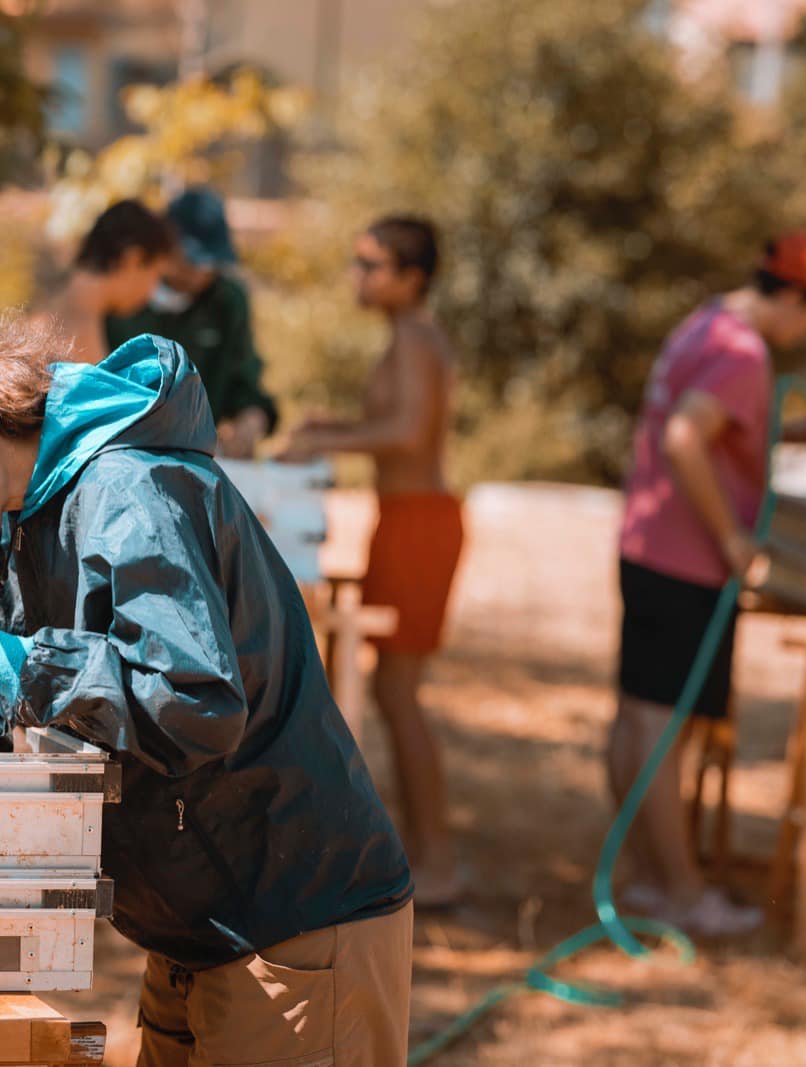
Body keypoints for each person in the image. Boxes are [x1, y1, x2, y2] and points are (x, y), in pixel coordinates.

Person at [0, 289, 414, 1066]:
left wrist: (1, 660)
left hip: (294, 923)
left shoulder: (131, 490)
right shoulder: (7, 529)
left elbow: (192, 702)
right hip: (197, 925)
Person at [610, 233, 806, 935]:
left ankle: (651, 880)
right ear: (795, 295)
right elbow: (688, 436)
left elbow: (710, 426)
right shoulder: (747, 353)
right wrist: (732, 538)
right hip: (688, 559)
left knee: (634, 715)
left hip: (645, 543)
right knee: (661, 727)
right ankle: (684, 893)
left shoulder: (705, 323)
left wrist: (795, 433)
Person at [275, 215, 465, 908]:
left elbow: (410, 432)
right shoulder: (404, 337)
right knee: (388, 691)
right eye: (358, 261)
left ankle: (438, 861)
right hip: (400, 518)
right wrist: (330, 429)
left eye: (373, 264)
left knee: (398, 694)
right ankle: (422, 853)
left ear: (412, 278)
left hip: (422, 523)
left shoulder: (416, 337)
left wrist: (334, 436)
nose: (359, 275)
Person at [106, 187, 276, 459]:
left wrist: (251, 421)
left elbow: (244, 382)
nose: (201, 272)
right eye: (192, 258)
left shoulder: (226, 302)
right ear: (163, 243)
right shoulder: (122, 297)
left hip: (198, 463)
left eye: (212, 262)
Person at [39, 199, 173, 364]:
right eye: (156, 275)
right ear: (133, 260)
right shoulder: (77, 332)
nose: (152, 291)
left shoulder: (58, 301)